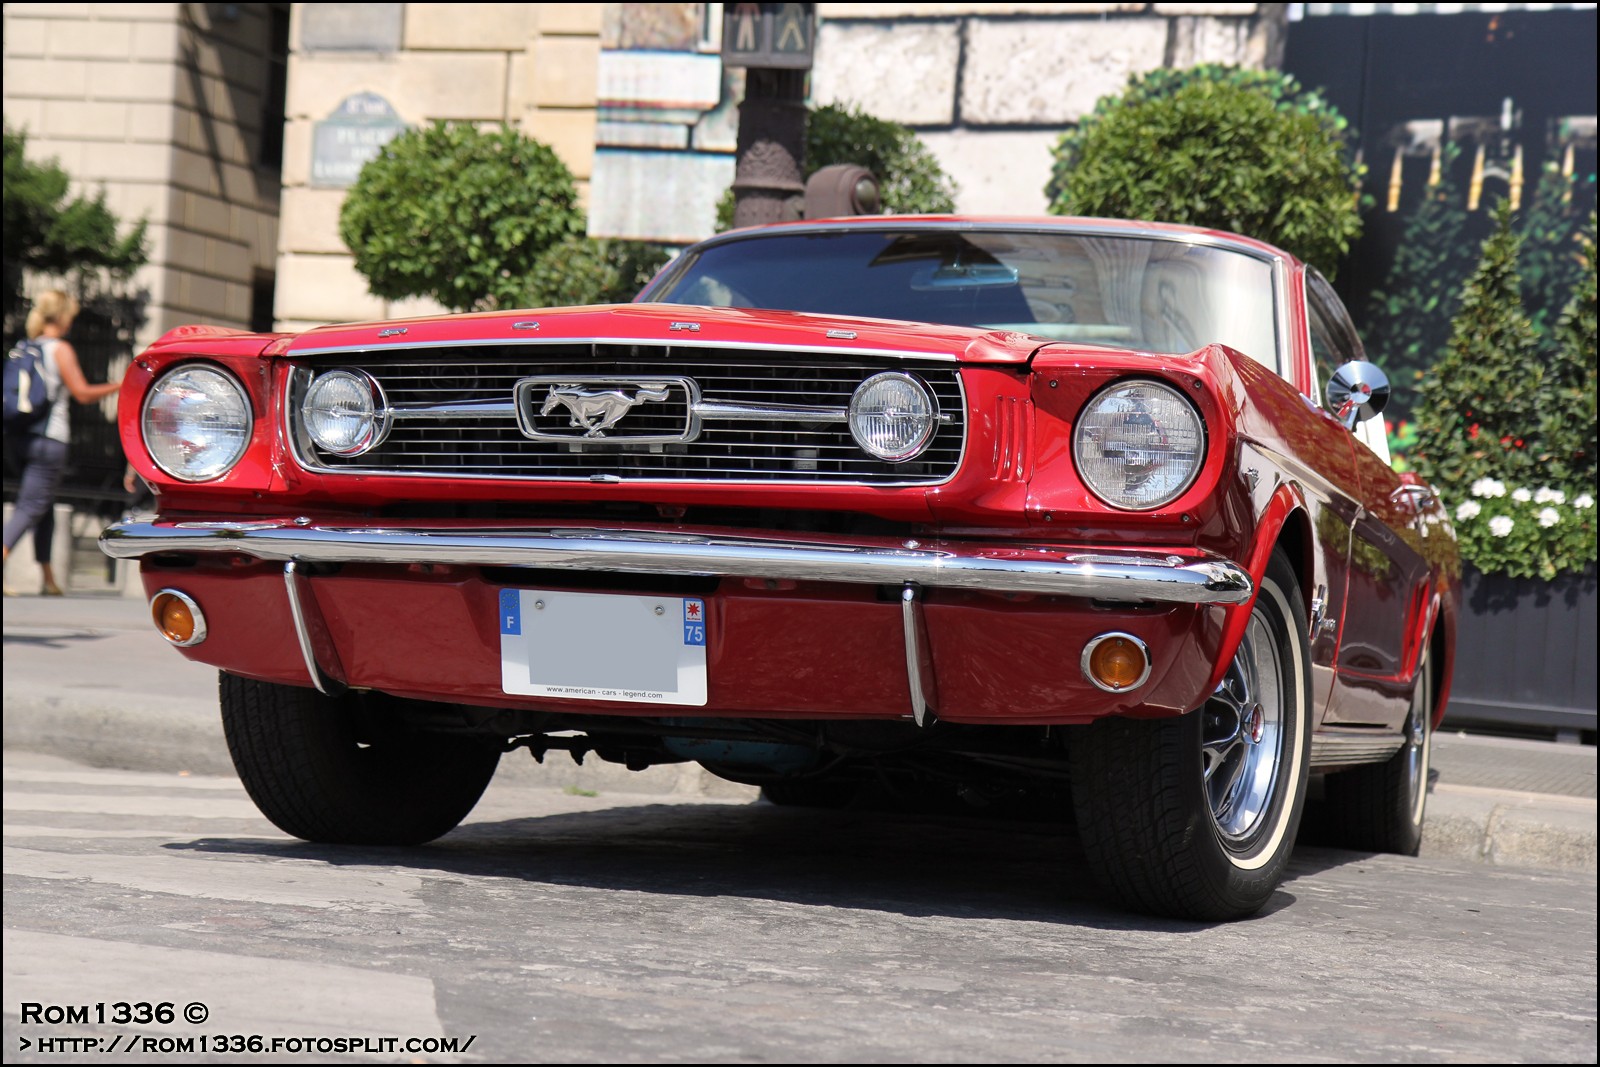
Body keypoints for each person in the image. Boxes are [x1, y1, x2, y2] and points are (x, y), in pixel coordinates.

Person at [2, 290, 121, 595]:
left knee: (44, 505)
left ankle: (49, 578)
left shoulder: (24, 347)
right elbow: (82, 393)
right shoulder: (60, 349)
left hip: (20, 438)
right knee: (32, 505)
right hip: (50, 440)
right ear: (63, 316)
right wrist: (120, 384)